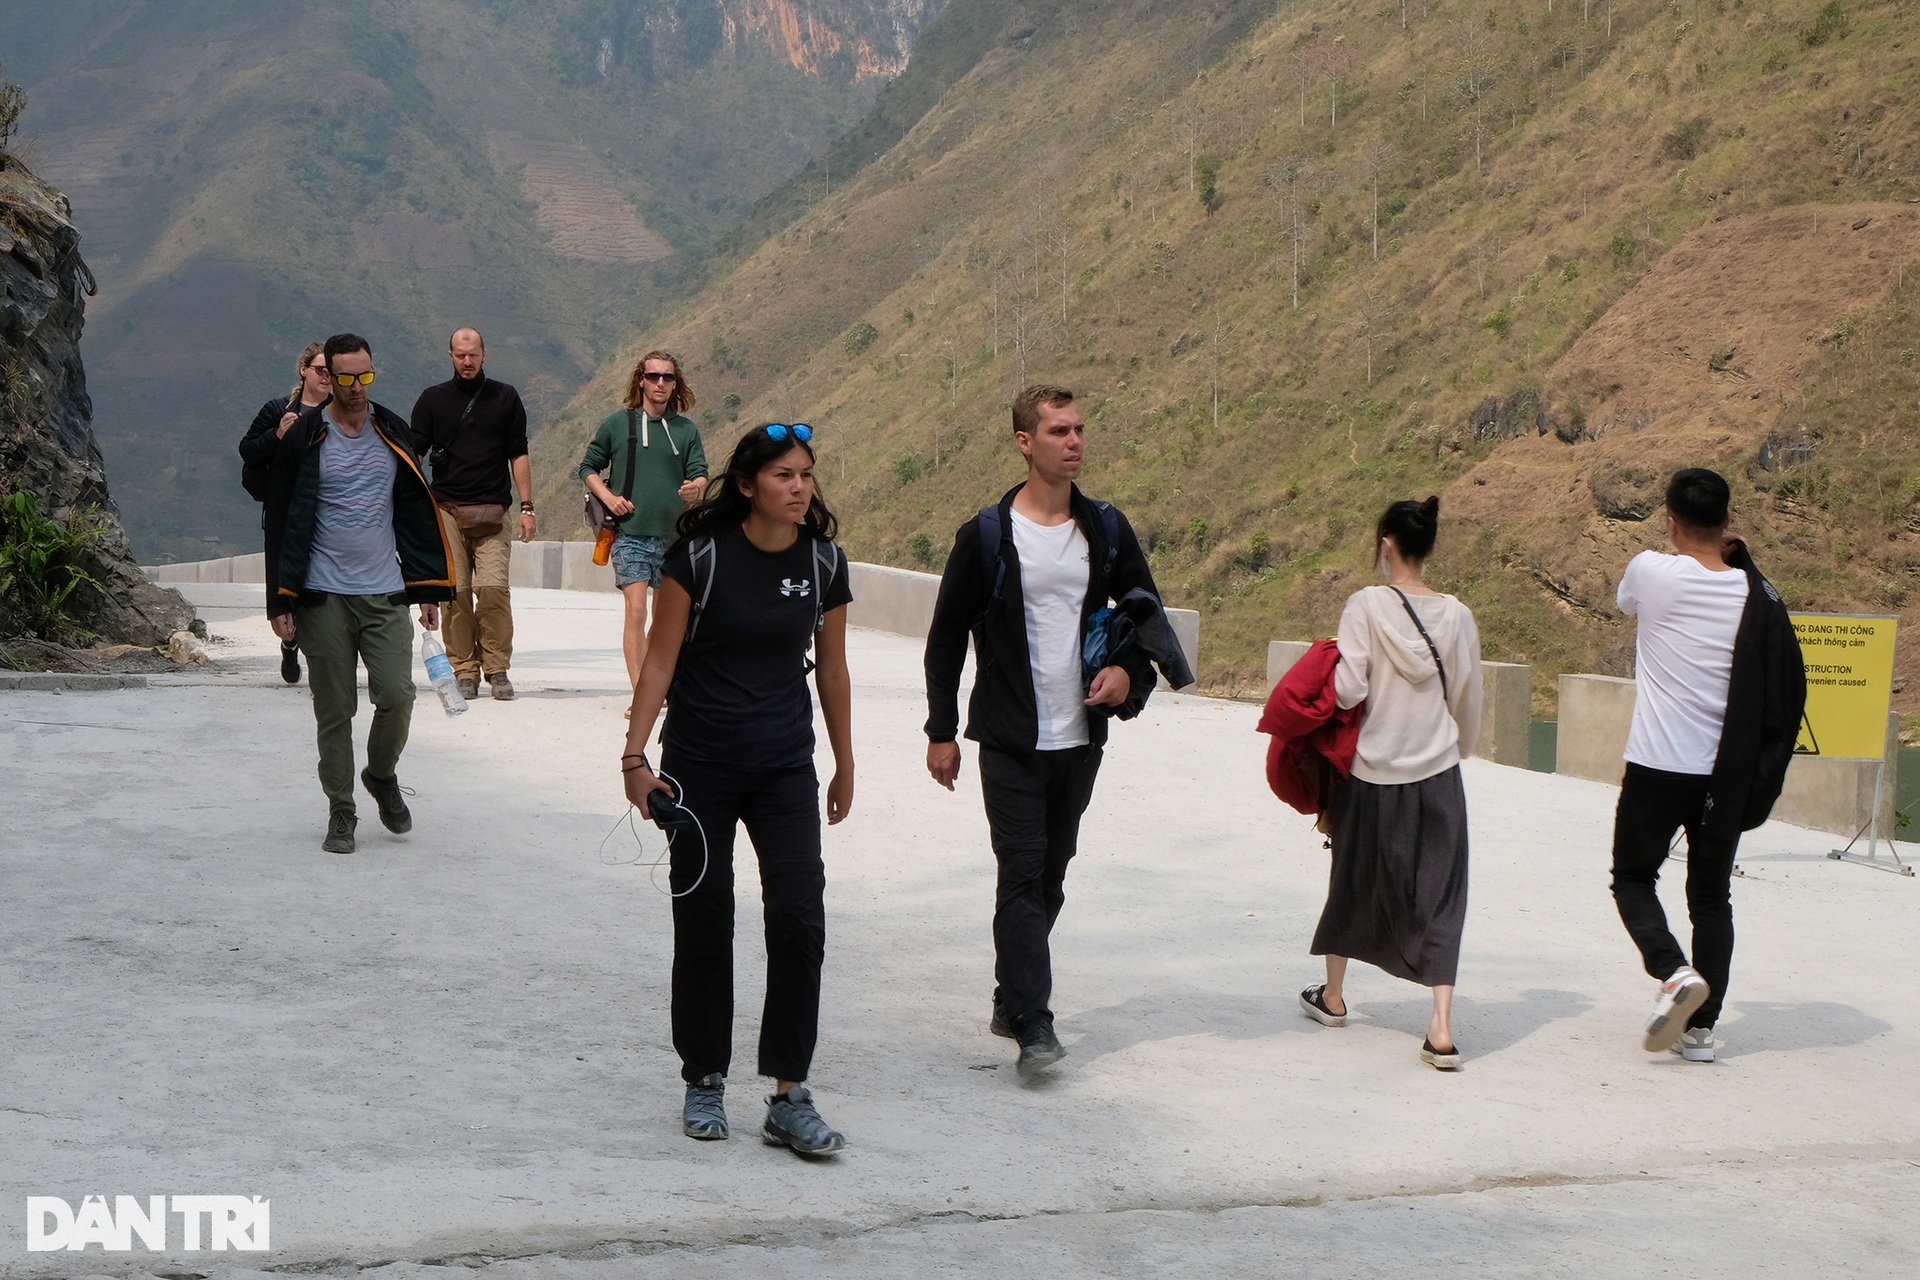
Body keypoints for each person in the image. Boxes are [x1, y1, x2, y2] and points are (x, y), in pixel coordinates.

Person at [923, 384, 1172, 1079]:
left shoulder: (1106, 529)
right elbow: (945, 640)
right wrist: (941, 730)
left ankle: (1010, 997)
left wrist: (1124, 671)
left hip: (1080, 735)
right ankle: (1035, 1020)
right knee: (1022, 871)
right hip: (1009, 736)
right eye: (1059, 431)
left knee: (1052, 872)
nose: (1075, 442)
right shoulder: (987, 536)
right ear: (1025, 443)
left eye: (1080, 429)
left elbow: (1143, 612)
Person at [621, 422, 853, 1156]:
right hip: (701, 763)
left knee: (798, 919)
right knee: (704, 919)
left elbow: (835, 672)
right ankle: (704, 1078)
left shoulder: (824, 563)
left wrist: (845, 763)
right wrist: (635, 757)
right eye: (784, 475)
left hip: (785, 766)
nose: (799, 487)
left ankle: (789, 1093)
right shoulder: (701, 557)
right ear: (749, 485)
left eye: (806, 475)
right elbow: (659, 662)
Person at [1609, 468, 1805, 1064]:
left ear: (1670, 521)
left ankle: (1673, 973)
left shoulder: (1649, 570)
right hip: (1726, 772)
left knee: (1634, 878)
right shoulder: (1752, 591)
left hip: (1656, 765)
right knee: (1711, 897)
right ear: (1727, 522)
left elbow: (1625, 605)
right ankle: (1700, 1030)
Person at [1299, 496, 1482, 1071]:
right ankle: (1442, 1028)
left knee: (1353, 878)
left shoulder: (1365, 605)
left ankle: (1332, 997)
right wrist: (1455, 750)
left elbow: (1350, 691)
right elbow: (1467, 700)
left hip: (1372, 772)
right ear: (1428, 548)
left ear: (1386, 546)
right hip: (1437, 772)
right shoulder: (1457, 615)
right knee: (1442, 895)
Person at [263, 333, 453, 855]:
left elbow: (416, 512)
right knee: (335, 709)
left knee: (398, 696)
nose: (356, 387)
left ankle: (381, 774)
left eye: (364, 375)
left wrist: (427, 589)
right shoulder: (305, 436)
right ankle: (341, 811)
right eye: (345, 377)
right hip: (322, 594)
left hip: (385, 591)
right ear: (329, 378)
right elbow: (279, 518)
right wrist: (279, 600)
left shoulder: (390, 430)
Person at [409, 327, 535, 702]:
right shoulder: (433, 400)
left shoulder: (505, 397)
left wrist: (527, 506)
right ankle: (464, 670)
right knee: (456, 594)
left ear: (484, 354)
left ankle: (497, 668)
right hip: (446, 509)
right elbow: (413, 453)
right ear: (450, 355)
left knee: (493, 589)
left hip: (494, 510)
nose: (467, 361)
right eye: (460, 354)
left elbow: (519, 454)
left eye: (473, 354)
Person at [576, 350, 708, 701]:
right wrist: (609, 497)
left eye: (667, 377)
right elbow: (587, 468)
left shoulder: (685, 430)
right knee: (636, 610)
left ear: (675, 383)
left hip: (673, 538)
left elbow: (701, 475)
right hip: (630, 533)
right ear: (641, 380)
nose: (660, 383)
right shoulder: (619, 424)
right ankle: (643, 694)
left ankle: (659, 685)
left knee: (665, 620)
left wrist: (696, 487)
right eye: (653, 377)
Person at [239, 341, 330, 685]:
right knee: (285, 585)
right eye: (320, 369)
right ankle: (290, 643)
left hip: (326, 514)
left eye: (331, 372)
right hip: (284, 513)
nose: (325, 377)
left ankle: (323, 652)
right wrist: (278, 435)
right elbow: (247, 450)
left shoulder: (339, 414)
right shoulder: (278, 409)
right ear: (304, 370)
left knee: (321, 585)